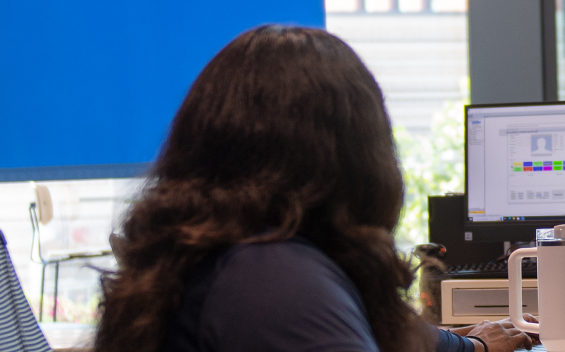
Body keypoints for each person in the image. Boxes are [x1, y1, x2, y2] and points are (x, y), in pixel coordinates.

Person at [94, 25, 534, 352]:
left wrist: (470, 346)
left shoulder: (231, 256)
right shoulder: (271, 273)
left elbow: (380, 323)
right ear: (357, 155)